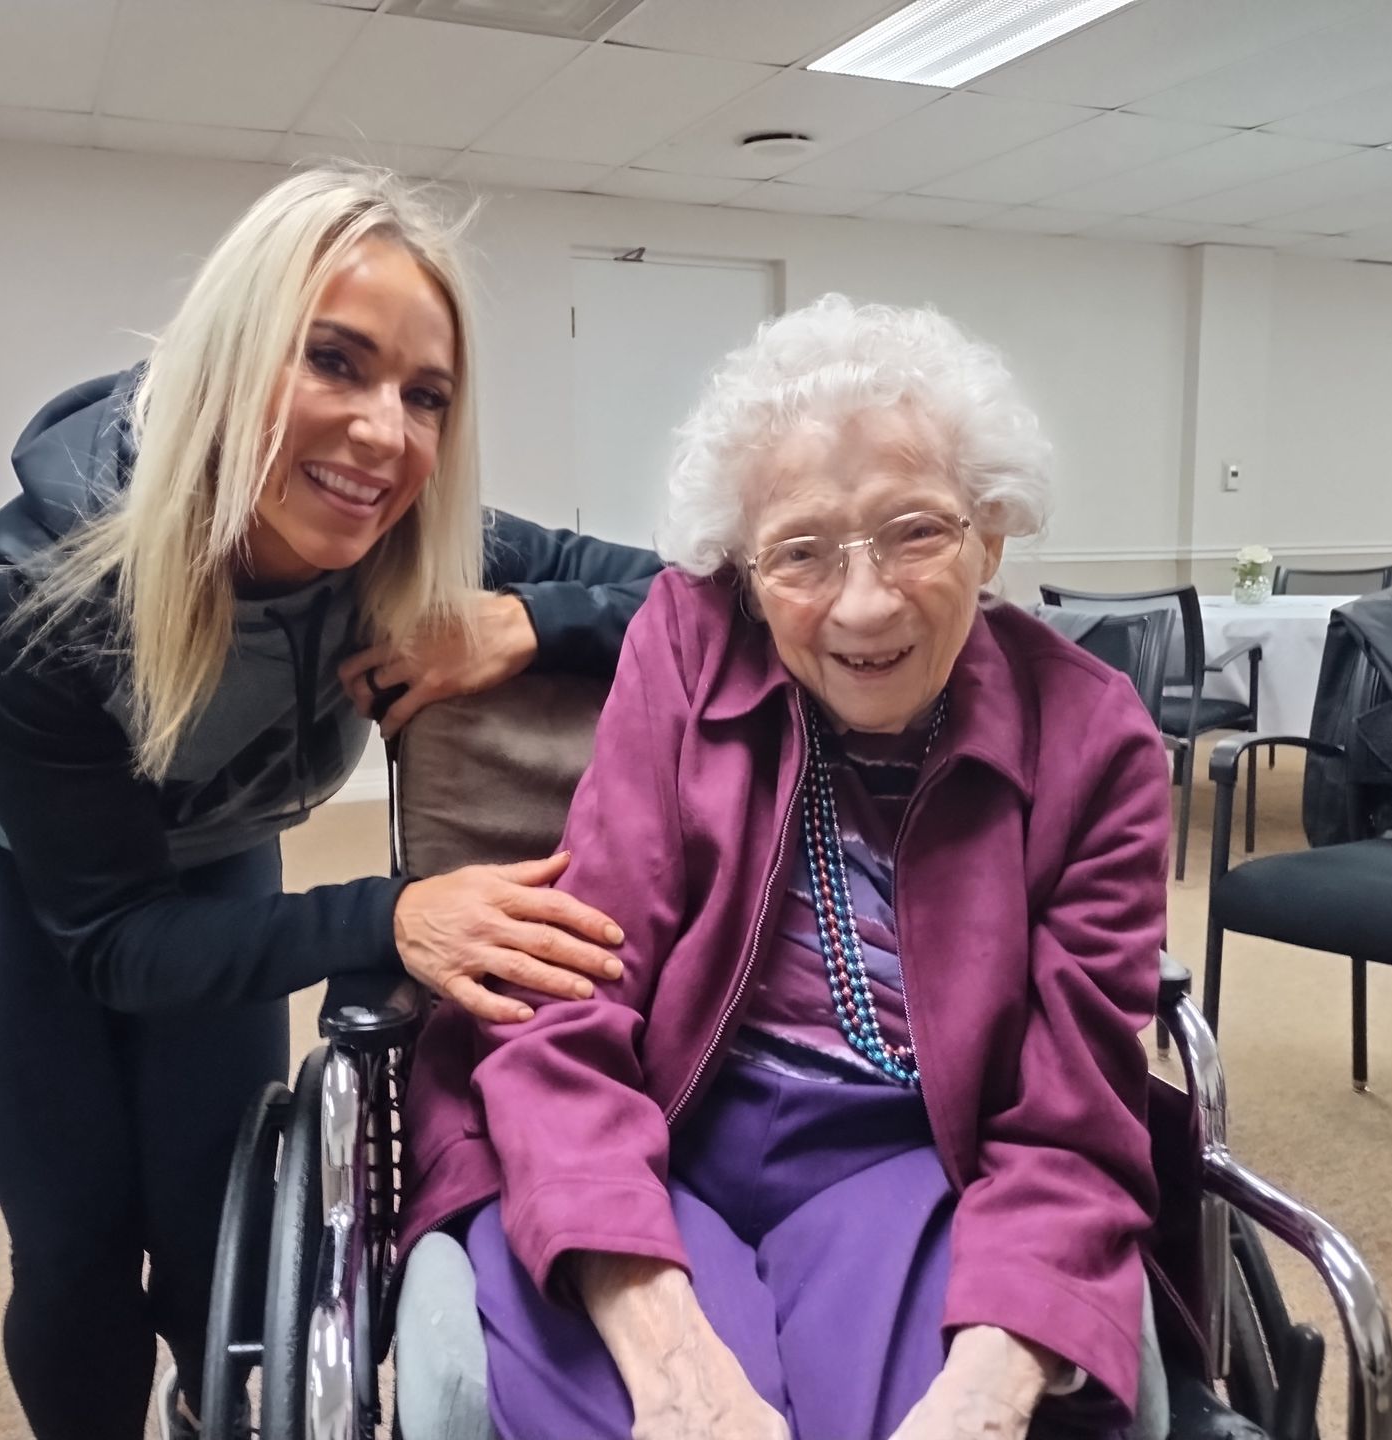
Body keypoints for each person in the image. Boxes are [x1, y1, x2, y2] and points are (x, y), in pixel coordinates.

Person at [0, 166, 660, 1440]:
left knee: (214, 1219)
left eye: (425, 397)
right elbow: (119, 942)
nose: (381, 434)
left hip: (219, 842)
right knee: (78, 1236)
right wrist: (395, 914)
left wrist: (532, 617)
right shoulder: (37, 582)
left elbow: (703, 598)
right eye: (334, 363)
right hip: (6, 861)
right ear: (233, 356)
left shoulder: (411, 533)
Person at [396, 295, 1171, 1440]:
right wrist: (670, 1360)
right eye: (802, 551)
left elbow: (1072, 1121)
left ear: (993, 531)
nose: (863, 603)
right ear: (749, 576)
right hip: (662, 1122)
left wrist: (989, 1393)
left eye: (918, 530)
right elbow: (575, 991)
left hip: (914, 1150)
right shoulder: (684, 644)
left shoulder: (1097, 741)